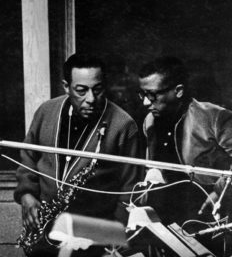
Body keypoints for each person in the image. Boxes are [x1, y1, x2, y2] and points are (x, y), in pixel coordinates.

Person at [137, 56, 232, 253]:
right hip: (169, 221)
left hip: (214, 220)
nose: (145, 102)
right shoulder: (150, 121)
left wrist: (219, 190)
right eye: (142, 94)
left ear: (178, 91)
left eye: (152, 95)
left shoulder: (212, 117)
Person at [14, 53, 140, 256]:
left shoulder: (124, 125)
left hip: (92, 237)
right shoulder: (46, 111)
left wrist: (112, 242)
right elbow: (28, 158)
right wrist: (26, 194)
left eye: (97, 89)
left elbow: (129, 191)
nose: (91, 99)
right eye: (81, 90)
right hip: (45, 231)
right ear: (66, 86)